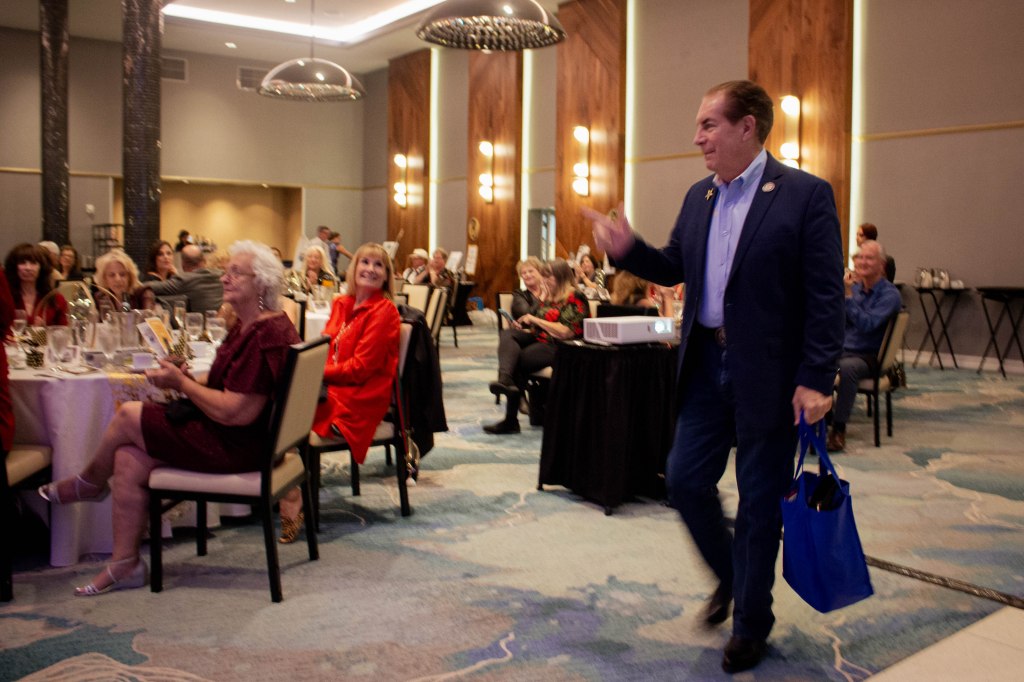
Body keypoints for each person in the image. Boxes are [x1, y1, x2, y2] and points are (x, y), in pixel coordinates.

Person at [583, 80, 844, 673]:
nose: (697, 137)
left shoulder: (804, 195)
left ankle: (751, 622)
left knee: (758, 502)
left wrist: (817, 376)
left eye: (708, 125)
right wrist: (628, 248)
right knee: (683, 480)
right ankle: (735, 575)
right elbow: (673, 264)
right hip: (705, 366)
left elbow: (826, 297)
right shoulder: (699, 196)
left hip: (770, 377)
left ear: (746, 126)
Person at [37, 241, 301, 596]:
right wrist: (186, 379)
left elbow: (235, 413)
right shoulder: (251, 324)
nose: (224, 278)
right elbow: (229, 388)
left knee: (128, 415)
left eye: (236, 273)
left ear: (262, 283)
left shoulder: (265, 333)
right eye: (226, 271)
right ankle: (125, 563)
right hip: (238, 436)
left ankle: (89, 483)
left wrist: (182, 384)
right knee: (127, 458)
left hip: (239, 446)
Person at [277, 243, 401, 543]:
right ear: (353, 268)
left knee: (285, 418)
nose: (370, 269)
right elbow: (325, 348)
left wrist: (313, 373)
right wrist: (311, 370)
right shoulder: (342, 304)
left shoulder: (385, 311)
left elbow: (360, 369)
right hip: (333, 388)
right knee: (272, 407)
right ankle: (282, 485)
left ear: (387, 276)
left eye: (379, 265)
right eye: (365, 262)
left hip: (360, 398)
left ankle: (290, 494)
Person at [486, 259, 588, 435]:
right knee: (508, 335)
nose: (545, 280)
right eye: (545, 276)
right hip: (541, 338)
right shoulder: (550, 295)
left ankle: (511, 419)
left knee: (517, 358)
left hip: (562, 346)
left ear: (561, 276)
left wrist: (534, 320)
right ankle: (505, 380)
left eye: (549, 276)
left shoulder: (575, 296)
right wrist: (525, 325)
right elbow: (536, 321)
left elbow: (566, 331)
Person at [827, 240, 902, 452]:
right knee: (812, 357)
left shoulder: (890, 295)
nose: (862, 262)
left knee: (848, 368)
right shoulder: (855, 289)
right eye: (859, 257)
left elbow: (867, 324)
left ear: (882, 265)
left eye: (869, 258)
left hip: (869, 356)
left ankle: (838, 429)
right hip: (843, 350)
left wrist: (848, 297)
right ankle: (821, 417)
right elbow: (839, 321)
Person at [143, 244, 224, 314]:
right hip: (220, 324)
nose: (166, 257)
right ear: (204, 261)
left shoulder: (183, 280)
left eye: (169, 253)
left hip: (195, 324)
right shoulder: (220, 275)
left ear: (182, 264)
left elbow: (145, 286)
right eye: (160, 254)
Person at [4, 243, 69, 326]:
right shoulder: (5, 297)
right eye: (22, 263)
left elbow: (63, 331)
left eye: (33, 263)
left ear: (41, 267)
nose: (28, 268)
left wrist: (44, 330)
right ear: (14, 267)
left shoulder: (56, 299)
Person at [93, 248, 143, 313]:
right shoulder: (100, 298)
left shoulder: (142, 295)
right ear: (105, 279)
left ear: (130, 277)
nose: (118, 279)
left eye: (122, 274)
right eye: (112, 275)